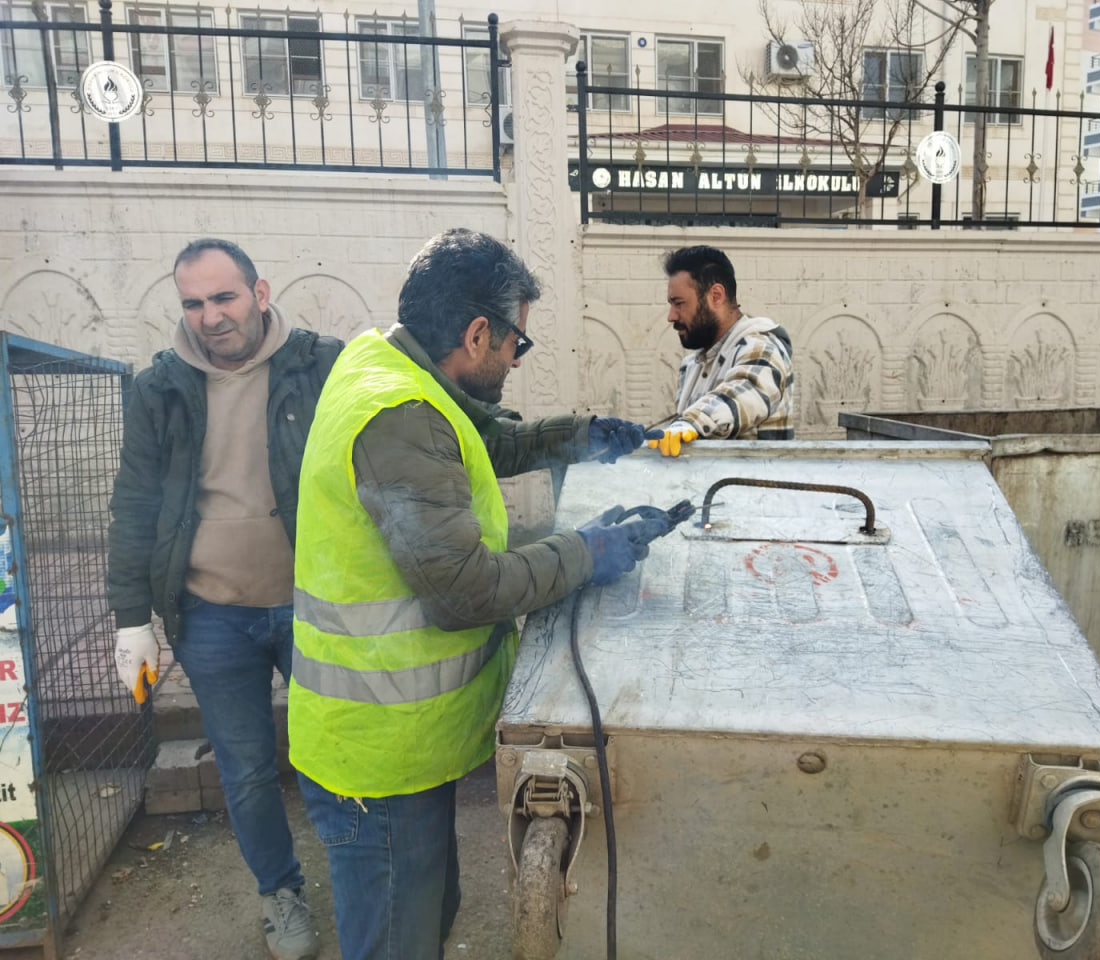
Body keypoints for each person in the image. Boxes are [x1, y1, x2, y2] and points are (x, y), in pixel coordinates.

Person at [287, 228, 660, 960]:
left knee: (427, 914)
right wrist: (588, 552)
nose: (516, 361)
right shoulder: (398, 414)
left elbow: (480, 438)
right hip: (378, 754)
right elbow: (461, 591)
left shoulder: (387, 363)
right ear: (477, 331)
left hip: (399, 746)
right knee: (400, 937)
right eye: (516, 345)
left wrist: (581, 437)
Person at [108, 238, 342, 960]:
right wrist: (130, 621)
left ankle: (362, 875)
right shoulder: (160, 388)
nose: (210, 316)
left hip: (314, 604)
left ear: (260, 291)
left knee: (335, 754)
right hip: (209, 613)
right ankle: (281, 894)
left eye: (224, 297)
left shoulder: (320, 365)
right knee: (244, 769)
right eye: (193, 303)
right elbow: (135, 503)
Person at [646, 244, 795, 457]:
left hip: (755, 488)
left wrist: (691, 423)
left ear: (716, 296)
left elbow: (747, 390)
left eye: (679, 303)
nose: (672, 316)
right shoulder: (692, 366)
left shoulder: (761, 346)